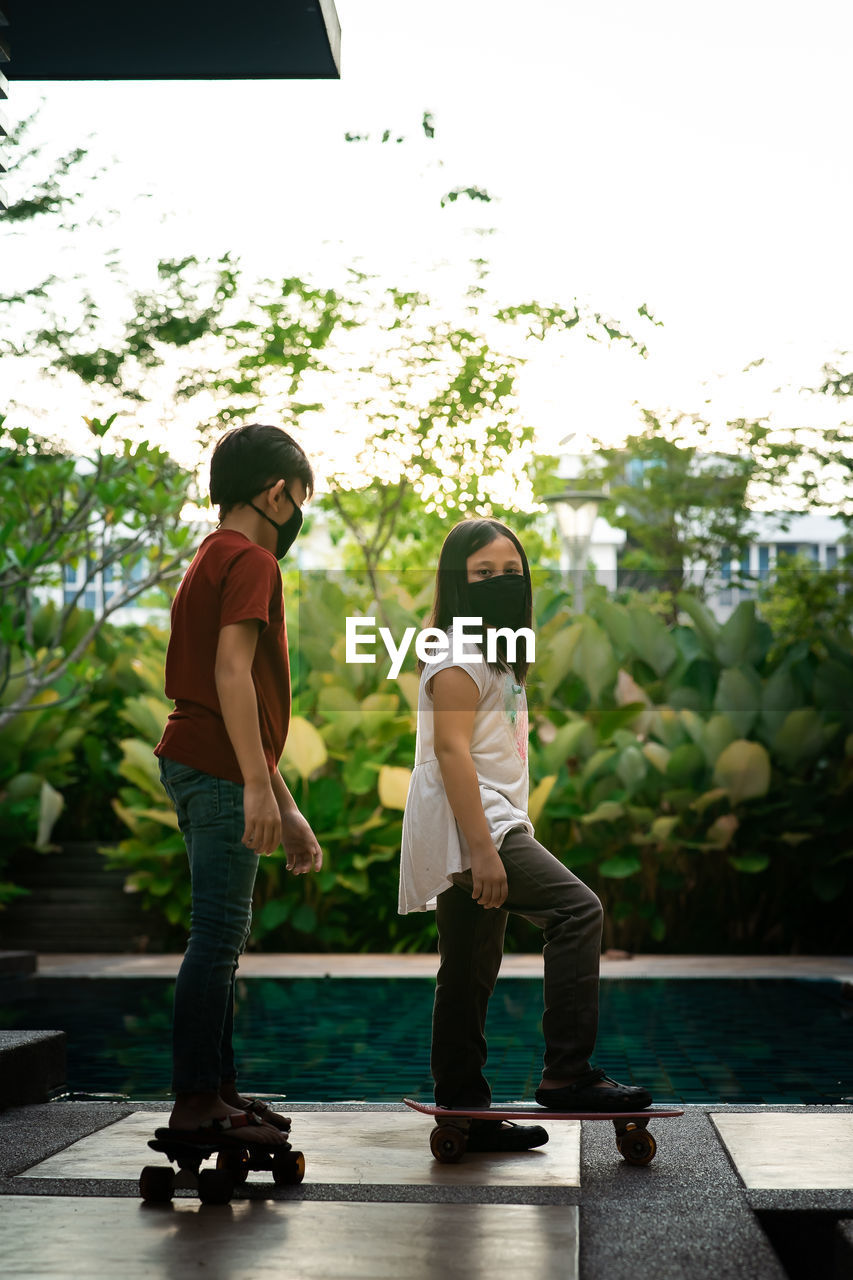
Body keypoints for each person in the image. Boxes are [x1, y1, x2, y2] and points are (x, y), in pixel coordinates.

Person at [399, 518, 652, 1152]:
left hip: (478, 819)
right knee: (577, 910)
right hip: (476, 820)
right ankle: (568, 1073)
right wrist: (482, 848)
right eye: (482, 574)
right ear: (457, 583)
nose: (499, 584)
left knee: (470, 964)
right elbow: (452, 754)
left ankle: (462, 1105)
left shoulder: (495, 656)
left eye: (511, 574)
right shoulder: (457, 656)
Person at [154, 423, 323, 1145]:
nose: (299, 510)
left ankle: (217, 1089)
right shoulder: (253, 561)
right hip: (218, 764)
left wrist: (284, 804)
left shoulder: (208, 556)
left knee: (221, 935)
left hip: (199, 756)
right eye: (300, 496)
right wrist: (255, 788)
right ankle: (195, 1102)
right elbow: (231, 674)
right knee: (218, 937)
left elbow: (240, 691)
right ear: (276, 492)